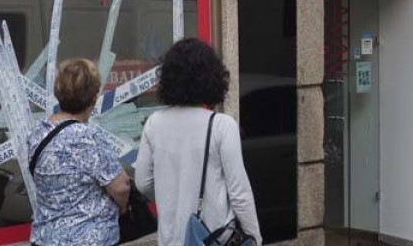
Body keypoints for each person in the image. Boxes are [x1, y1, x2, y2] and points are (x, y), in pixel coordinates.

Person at [135, 38, 262, 246]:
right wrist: (254, 237)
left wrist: (173, 198)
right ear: (212, 78)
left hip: (170, 239)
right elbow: (240, 194)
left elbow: (142, 182)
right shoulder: (221, 125)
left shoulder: (154, 123)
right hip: (213, 238)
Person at [28, 58, 131, 246]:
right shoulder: (88, 137)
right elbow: (120, 186)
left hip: (45, 238)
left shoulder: (37, 132)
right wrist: (123, 208)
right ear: (93, 98)